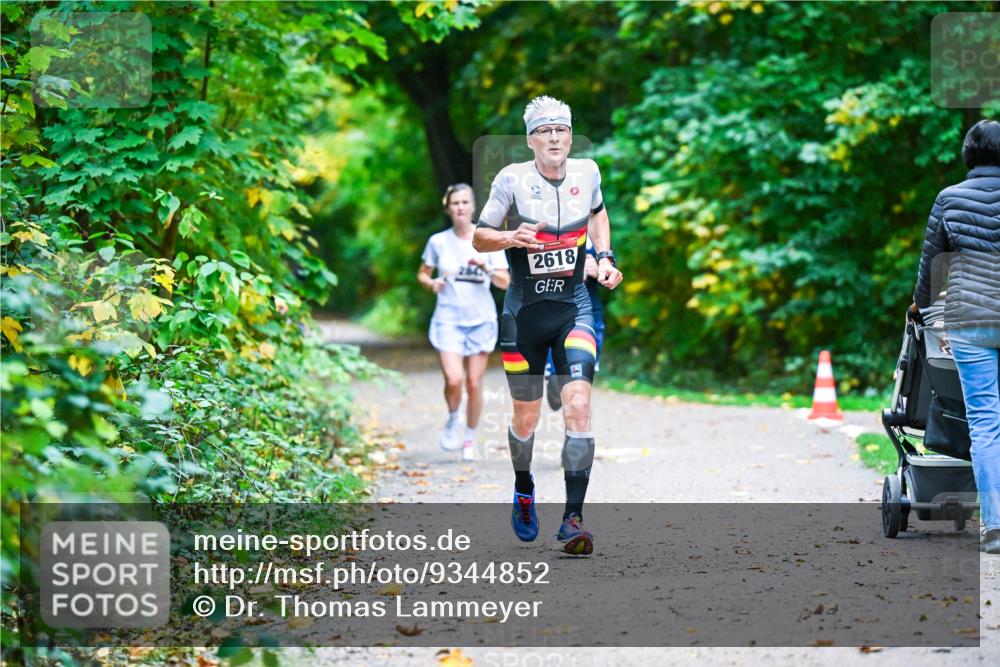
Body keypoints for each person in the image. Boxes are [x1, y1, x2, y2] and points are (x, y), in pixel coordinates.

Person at [473, 96, 623, 555]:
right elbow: (480, 236)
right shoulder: (511, 179)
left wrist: (604, 258)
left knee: (579, 405)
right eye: (545, 131)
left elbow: (598, 215)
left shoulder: (589, 172)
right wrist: (509, 237)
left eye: (562, 129)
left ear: (570, 136)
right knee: (528, 417)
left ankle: (573, 519)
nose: (555, 137)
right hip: (524, 315)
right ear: (531, 140)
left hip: (574, 307)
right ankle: (523, 486)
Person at [912, 119, 1000, 554]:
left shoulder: (950, 198)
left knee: (986, 422)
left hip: (970, 322)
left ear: (969, 156)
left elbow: (933, 265)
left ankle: (994, 526)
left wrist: (917, 305)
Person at [419, 183, 510, 462]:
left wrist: (487, 267)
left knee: (473, 381)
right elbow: (423, 273)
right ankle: (453, 417)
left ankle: (469, 438)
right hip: (448, 318)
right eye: (455, 203)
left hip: (481, 319)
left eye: (464, 202)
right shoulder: (438, 242)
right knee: (454, 378)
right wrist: (432, 284)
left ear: (473, 207)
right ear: (448, 208)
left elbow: (506, 283)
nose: (460, 207)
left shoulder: (488, 240)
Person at [545, 237, 605, 411]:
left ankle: (573, 436)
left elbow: (612, 274)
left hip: (590, 315)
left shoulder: (598, 237)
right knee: (560, 393)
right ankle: (554, 382)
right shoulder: (553, 232)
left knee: (580, 386)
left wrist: (600, 269)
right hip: (556, 315)